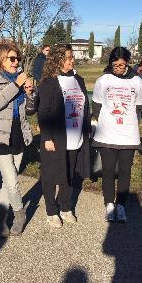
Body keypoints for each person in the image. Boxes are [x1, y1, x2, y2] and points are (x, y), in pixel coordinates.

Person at [0, 44, 36, 237]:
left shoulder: (22, 78)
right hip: (0, 135)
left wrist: (30, 93)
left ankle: (1, 216)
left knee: (8, 181)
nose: (16, 62)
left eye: (17, 58)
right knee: (12, 181)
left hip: (19, 133)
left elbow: (30, 110)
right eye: (11, 58)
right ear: (1, 59)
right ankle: (20, 214)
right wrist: (16, 86)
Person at [37, 44, 91, 228]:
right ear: (58, 60)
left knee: (70, 174)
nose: (72, 60)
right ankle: (51, 211)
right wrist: (47, 137)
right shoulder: (49, 82)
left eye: (72, 56)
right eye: (68, 57)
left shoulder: (79, 80)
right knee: (51, 176)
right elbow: (43, 112)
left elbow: (84, 106)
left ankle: (66, 207)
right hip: (56, 138)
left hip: (76, 137)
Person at [92, 47, 142, 223]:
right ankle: (109, 205)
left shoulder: (137, 82)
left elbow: (138, 107)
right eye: (115, 66)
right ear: (110, 64)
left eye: (122, 65)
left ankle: (121, 205)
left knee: (125, 171)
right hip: (107, 133)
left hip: (128, 135)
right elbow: (97, 106)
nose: (119, 69)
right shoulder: (103, 80)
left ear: (128, 63)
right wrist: (106, 122)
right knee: (107, 170)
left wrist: (125, 120)